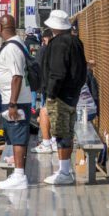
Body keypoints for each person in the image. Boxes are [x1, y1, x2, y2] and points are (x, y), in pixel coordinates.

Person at [38, 10, 88, 185]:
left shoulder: (58, 44)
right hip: (72, 95)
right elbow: (82, 70)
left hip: (60, 96)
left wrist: (51, 94)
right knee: (66, 131)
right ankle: (64, 170)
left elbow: (57, 73)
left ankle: (64, 172)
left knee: (61, 133)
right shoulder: (76, 42)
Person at [0, 14, 33, 190]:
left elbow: (16, 76)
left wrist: (12, 104)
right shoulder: (17, 45)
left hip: (15, 101)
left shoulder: (11, 48)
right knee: (15, 137)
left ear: (0, 28)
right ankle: (18, 171)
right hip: (14, 99)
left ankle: (19, 176)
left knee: (17, 138)